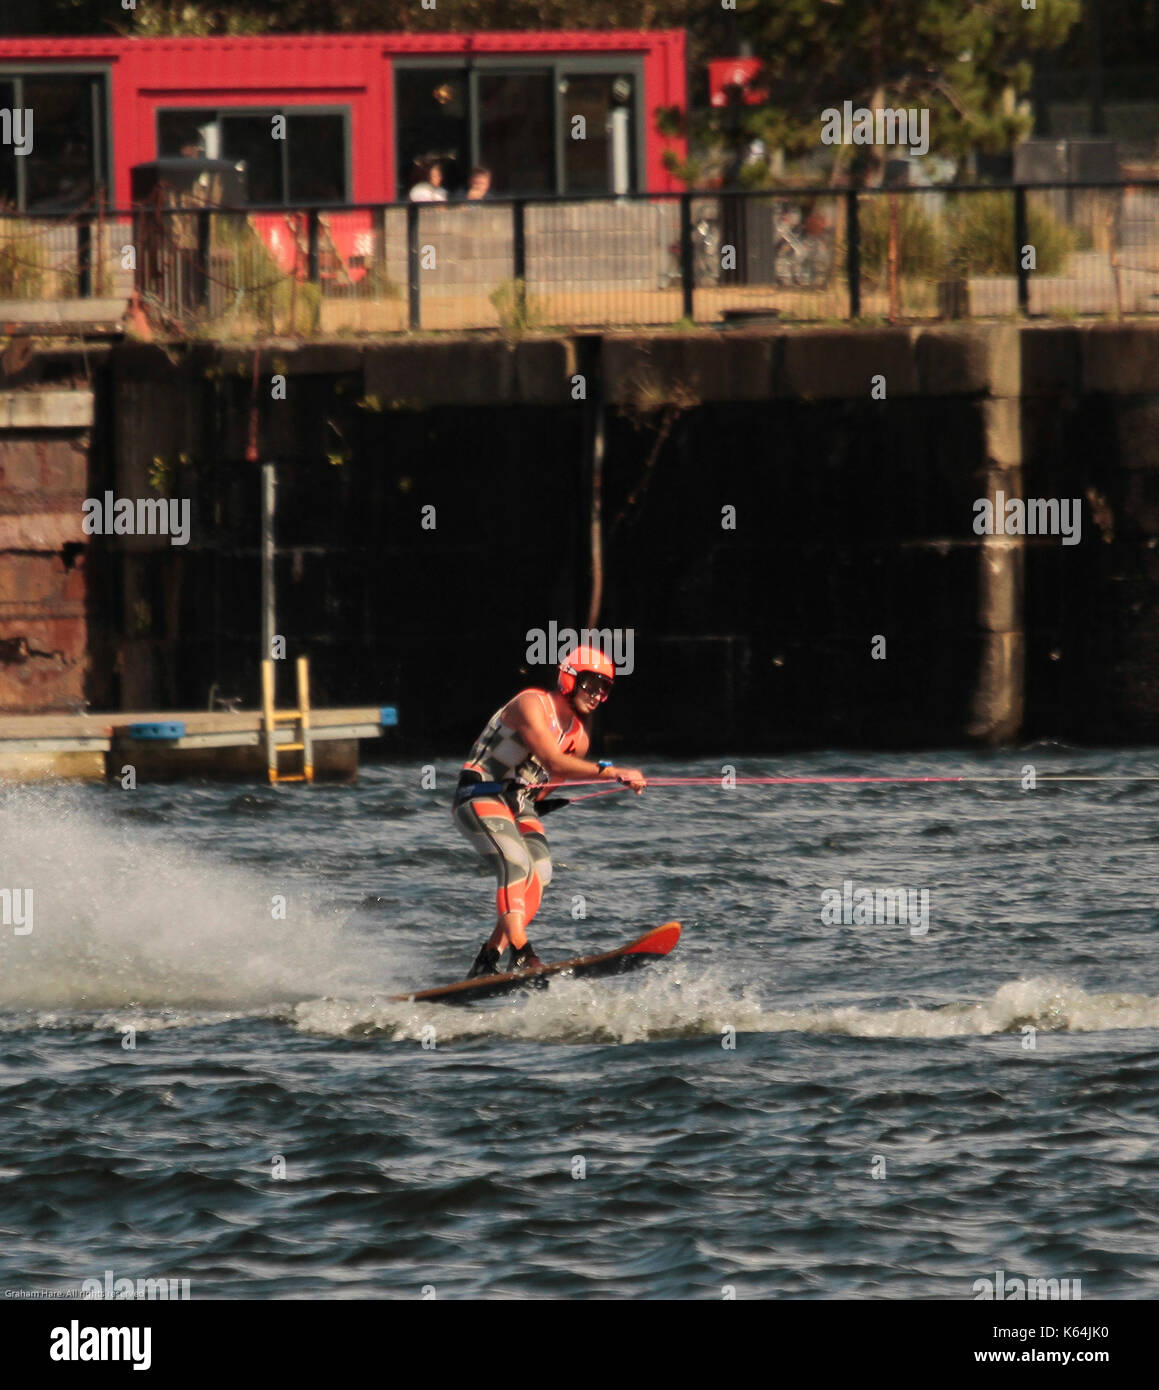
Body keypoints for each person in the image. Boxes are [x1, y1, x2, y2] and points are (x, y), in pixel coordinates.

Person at [453, 646, 646, 978]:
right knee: (515, 863)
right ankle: (523, 952)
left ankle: (488, 958)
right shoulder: (531, 703)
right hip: (481, 791)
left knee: (539, 873)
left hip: (518, 802)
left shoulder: (579, 740)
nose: (598, 694)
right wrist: (613, 772)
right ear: (570, 678)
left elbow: (551, 780)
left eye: (605, 689)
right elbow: (554, 760)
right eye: (592, 684)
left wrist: (539, 802)